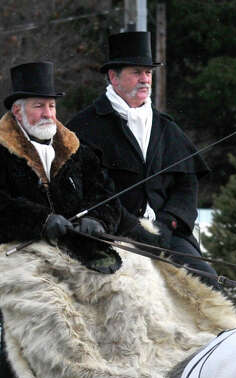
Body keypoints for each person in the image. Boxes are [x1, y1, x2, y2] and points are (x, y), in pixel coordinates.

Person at [67, 30, 218, 282]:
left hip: (166, 236)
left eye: (148, 73)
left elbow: (186, 184)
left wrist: (168, 223)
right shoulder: (85, 127)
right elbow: (90, 191)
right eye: (136, 72)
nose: (145, 79)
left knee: (208, 282)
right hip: (109, 234)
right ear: (114, 77)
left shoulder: (166, 127)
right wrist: (131, 227)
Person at [0, 60, 121, 269]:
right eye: (39, 106)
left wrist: (97, 218)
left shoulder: (78, 152)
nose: (48, 114)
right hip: (12, 254)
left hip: (76, 251)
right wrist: (40, 222)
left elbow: (105, 194)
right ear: (18, 111)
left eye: (52, 106)